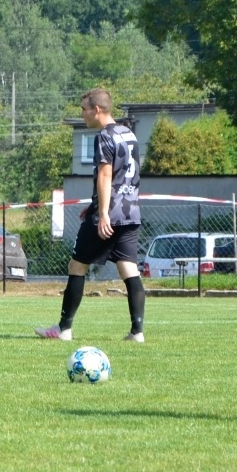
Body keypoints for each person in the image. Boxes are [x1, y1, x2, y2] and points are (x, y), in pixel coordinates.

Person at [36, 89, 147, 343]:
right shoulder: (128, 133)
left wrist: (104, 213)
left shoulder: (105, 136)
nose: (83, 114)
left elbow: (106, 175)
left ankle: (63, 329)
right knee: (128, 268)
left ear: (97, 109)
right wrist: (95, 204)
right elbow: (127, 176)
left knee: (77, 265)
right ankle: (137, 332)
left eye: (84, 109)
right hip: (130, 211)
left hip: (109, 214)